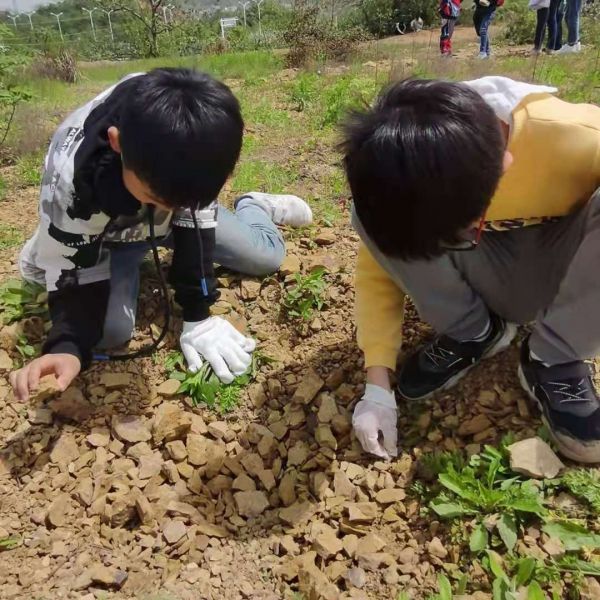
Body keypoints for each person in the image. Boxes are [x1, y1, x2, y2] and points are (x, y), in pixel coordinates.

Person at [10, 68, 312, 402]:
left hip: (159, 199)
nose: (172, 208)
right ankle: (49, 242)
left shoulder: (196, 143)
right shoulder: (72, 183)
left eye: (185, 202)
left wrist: (198, 314)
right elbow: (72, 282)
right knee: (109, 331)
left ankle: (255, 205)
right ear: (117, 143)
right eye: (158, 199)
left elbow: (195, 220)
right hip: (105, 234)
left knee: (266, 256)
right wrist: (67, 346)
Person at [342, 76, 600, 463]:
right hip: (497, 270)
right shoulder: (410, 161)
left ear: (505, 166)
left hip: (562, 274)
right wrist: (377, 384)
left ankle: (555, 357)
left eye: (461, 231)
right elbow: (380, 266)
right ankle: (475, 332)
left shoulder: (576, 137)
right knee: (374, 215)